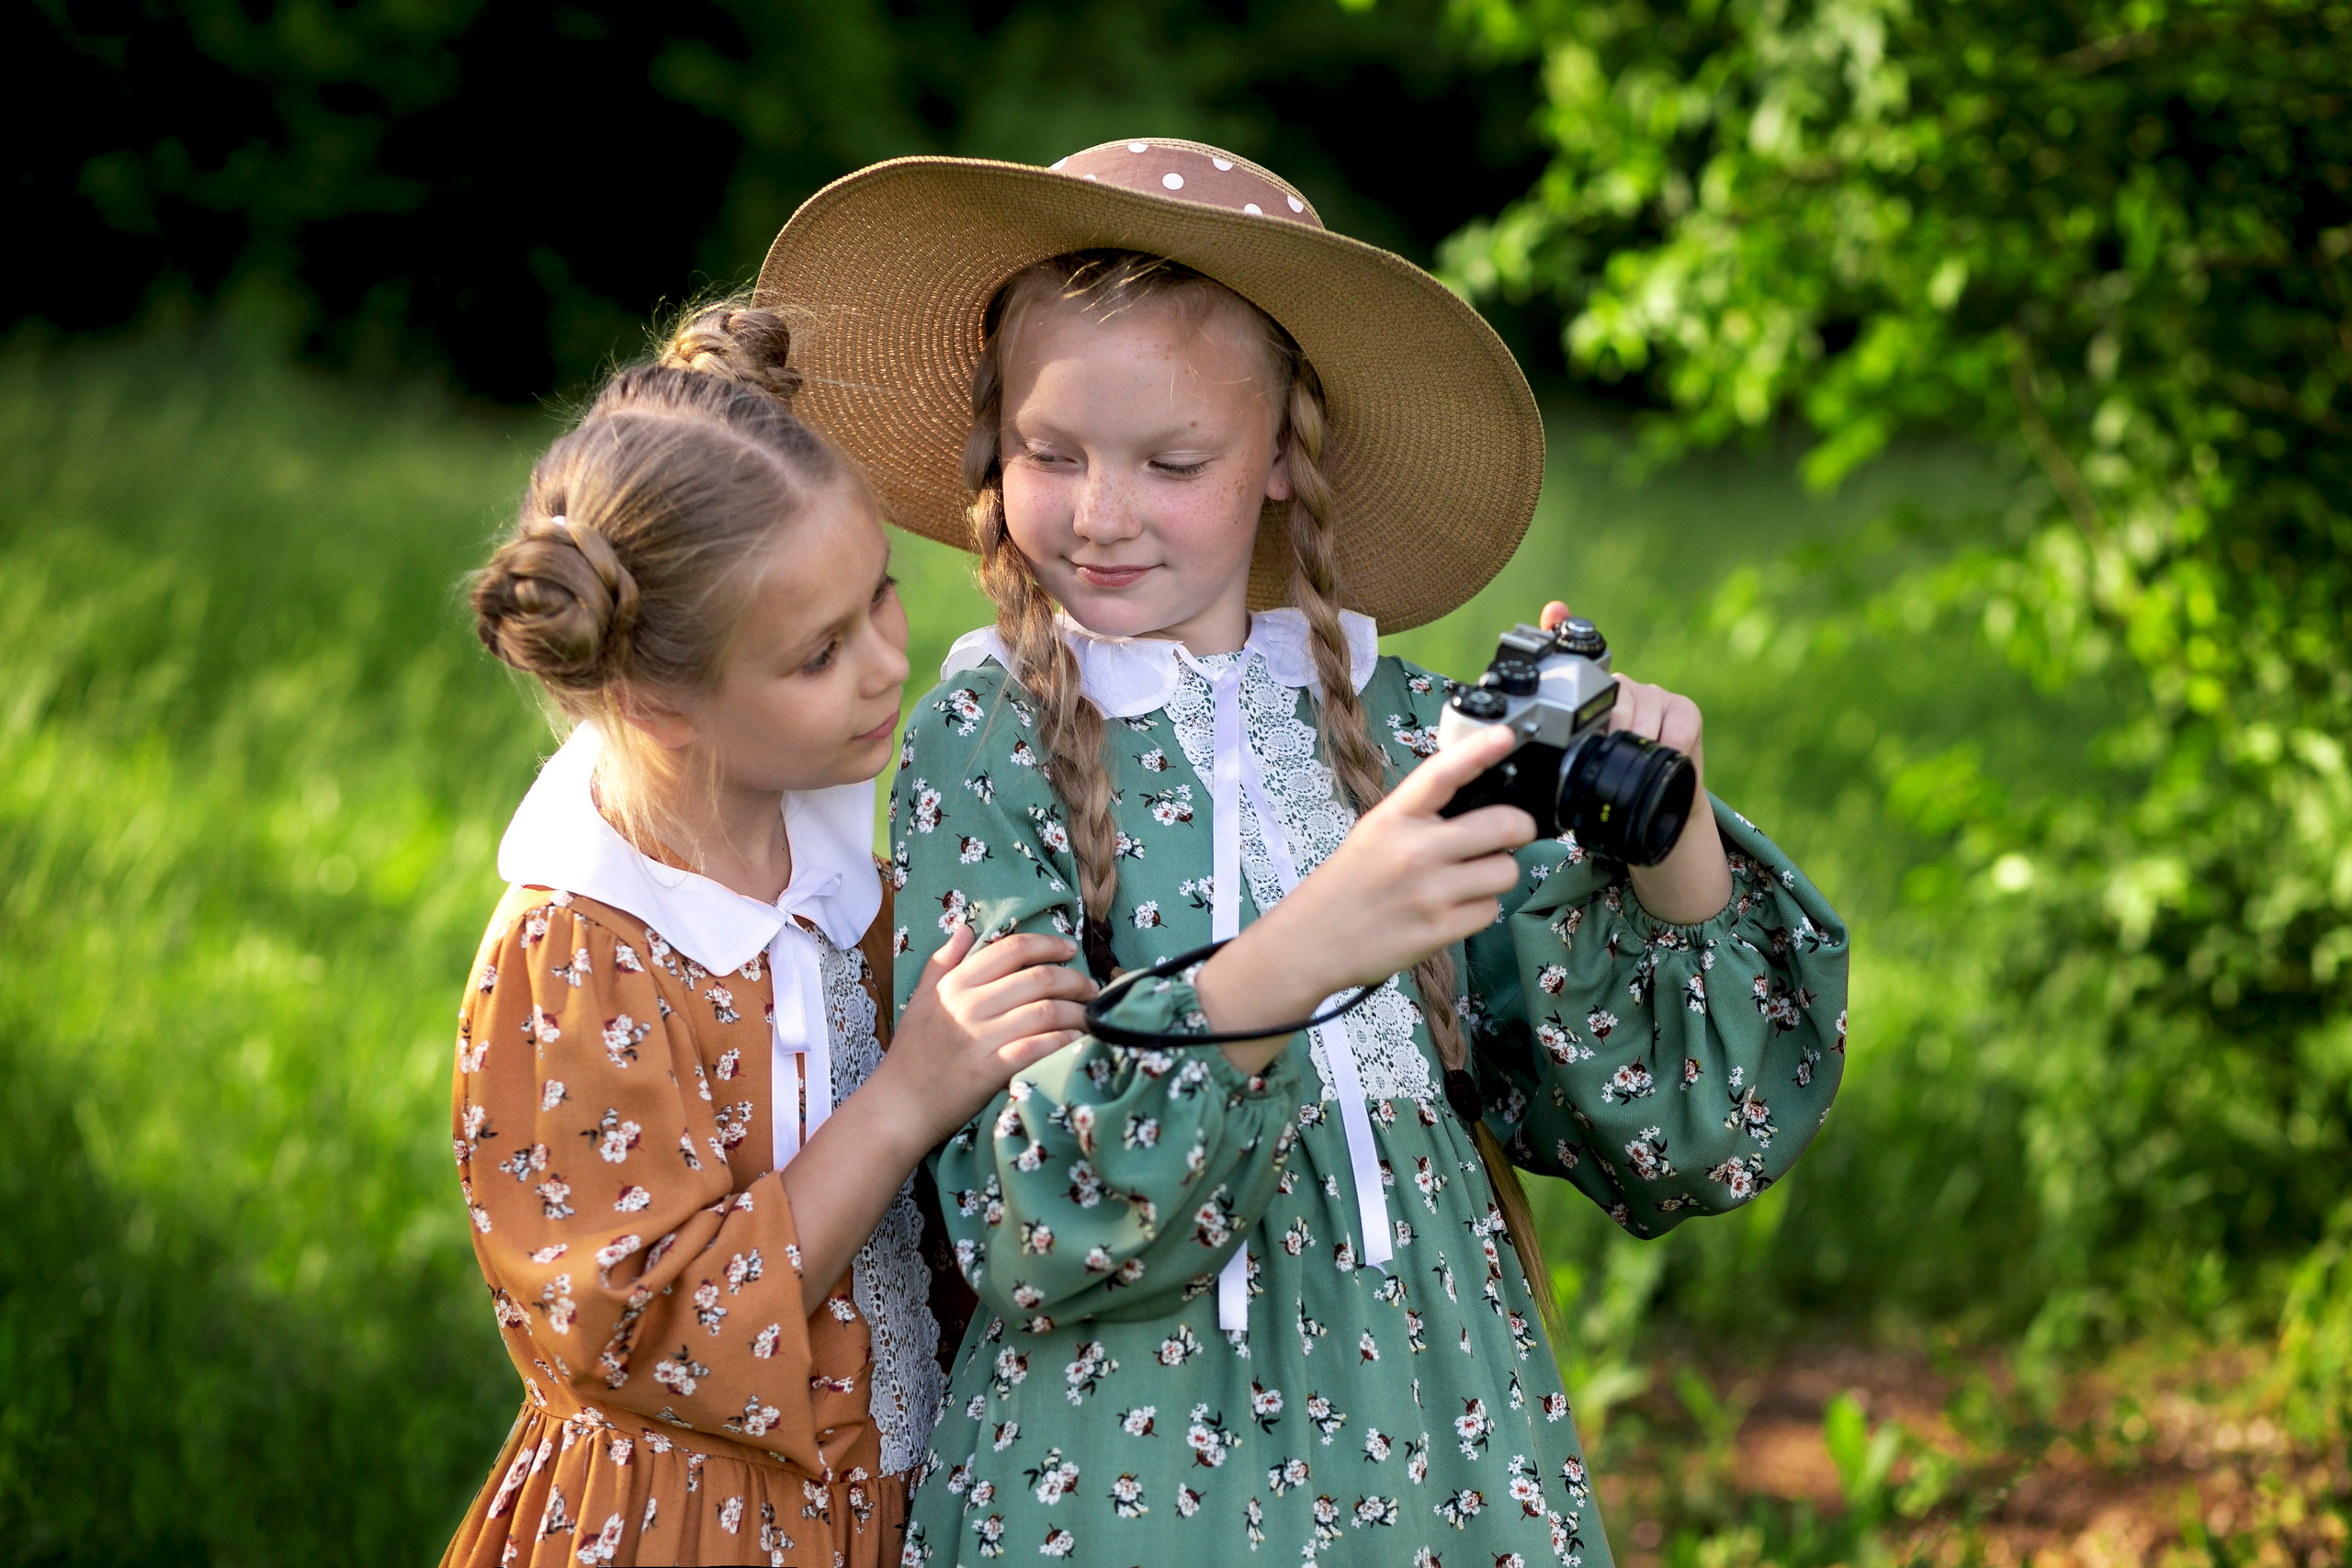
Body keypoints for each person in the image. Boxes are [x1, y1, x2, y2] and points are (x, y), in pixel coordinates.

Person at [759, 140, 1850, 1566]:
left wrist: (1673, 832)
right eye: (1050, 452)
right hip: (1123, 1470)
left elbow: (1680, 1135)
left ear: (1282, 456)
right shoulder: (998, 730)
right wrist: (1302, 953)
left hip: (1441, 1445)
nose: (1098, 512)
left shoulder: (1403, 730)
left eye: (1173, 461)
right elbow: (1021, 1212)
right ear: (992, 447)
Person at [440, 303, 1096, 1568]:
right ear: (655, 703)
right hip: (691, 1528)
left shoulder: (845, 869)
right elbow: (649, 1330)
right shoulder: (580, 952)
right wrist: (905, 1098)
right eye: (817, 654)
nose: (883, 667)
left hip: (888, 1501)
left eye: (883, 598)